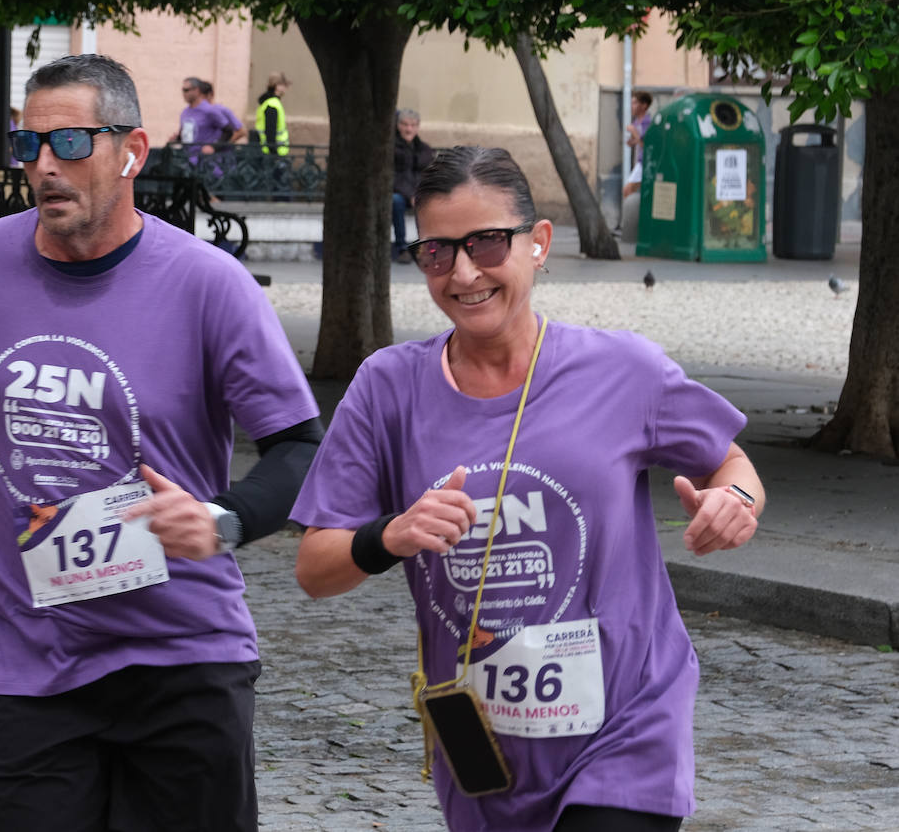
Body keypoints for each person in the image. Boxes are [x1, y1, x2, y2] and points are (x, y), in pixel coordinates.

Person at [0, 53, 322, 831]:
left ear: (131, 152)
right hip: (22, 662)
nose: (43, 167)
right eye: (29, 145)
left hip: (181, 654)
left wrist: (223, 519)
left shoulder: (208, 284)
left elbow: (300, 445)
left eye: (69, 143)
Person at [291, 146, 763, 832]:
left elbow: (733, 463)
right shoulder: (387, 389)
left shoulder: (622, 369)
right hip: (484, 743)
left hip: (626, 727)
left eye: (486, 243)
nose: (463, 272)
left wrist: (736, 502)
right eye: (437, 252)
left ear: (537, 242)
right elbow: (314, 566)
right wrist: (390, 534)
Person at [392, 108, 434, 262]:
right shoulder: (391, 148)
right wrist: (410, 195)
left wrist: (419, 194)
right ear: (398, 125)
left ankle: (428, 248)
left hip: (419, 194)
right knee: (395, 201)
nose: (408, 129)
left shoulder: (424, 150)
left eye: (412, 125)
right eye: (404, 124)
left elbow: (429, 176)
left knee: (433, 203)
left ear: (417, 127)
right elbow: (393, 178)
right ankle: (402, 248)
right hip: (400, 195)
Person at [170, 76, 238, 167]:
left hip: (206, 163)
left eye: (186, 90)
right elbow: (187, 135)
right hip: (188, 161)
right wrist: (176, 139)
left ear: (197, 90)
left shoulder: (209, 110)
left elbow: (228, 130)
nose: (183, 94)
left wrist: (213, 147)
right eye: (182, 90)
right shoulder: (185, 112)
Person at [623, 90, 653, 199]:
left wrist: (635, 132)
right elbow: (637, 142)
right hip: (639, 161)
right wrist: (631, 141)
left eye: (635, 103)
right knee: (632, 192)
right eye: (631, 103)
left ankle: (631, 214)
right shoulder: (636, 122)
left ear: (644, 105)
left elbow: (646, 144)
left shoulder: (648, 122)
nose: (632, 106)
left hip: (646, 162)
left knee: (627, 190)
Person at [253, 71, 291, 156]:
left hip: (268, 152)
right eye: (284, 85)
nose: (286, 88)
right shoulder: (272, 105)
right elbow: (270, 132)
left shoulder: (269, 103)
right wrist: (274, 153)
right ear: (277, 86)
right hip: (271, 154)